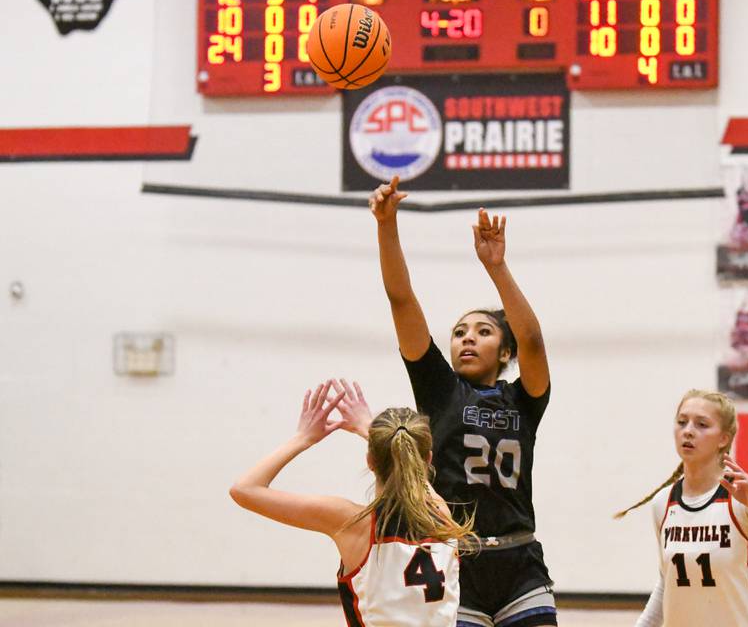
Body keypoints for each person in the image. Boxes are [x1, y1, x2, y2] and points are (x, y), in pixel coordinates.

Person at [368, 176, 557, 627]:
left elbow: (531, 337)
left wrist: (497, 267)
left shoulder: (524, 399)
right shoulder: (440, 389)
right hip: (455, 562)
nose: (468, 337)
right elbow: (401, 301)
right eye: (459, 332)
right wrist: (386, 225)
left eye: (484, 331)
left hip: (520, 562)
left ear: (505, 352)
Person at [229, 380, 475, 627]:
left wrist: (304, 438)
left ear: (370, 461)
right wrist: (367, 428)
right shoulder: (441, 514)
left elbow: (244, 489)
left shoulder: (353, 523)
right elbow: (412, 468)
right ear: (428, 458)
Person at [616, 389, 748, 627]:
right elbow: (666, 585)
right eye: (682, 422)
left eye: (702, 424)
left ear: (723, 438)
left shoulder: (744, 495)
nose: (688, 430)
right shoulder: (664, 502)